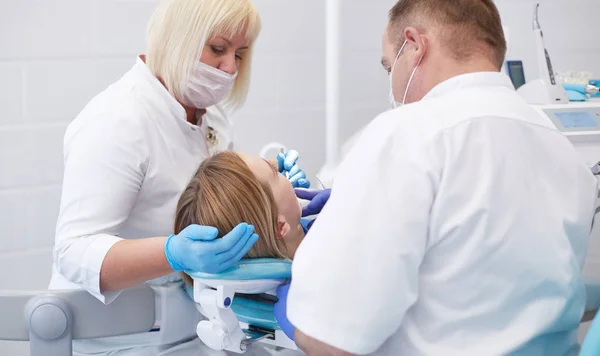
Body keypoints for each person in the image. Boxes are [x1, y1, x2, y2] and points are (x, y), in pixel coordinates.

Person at [275, 0, 599, 355]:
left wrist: (297, 314)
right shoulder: (562, 147)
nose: (394, 88)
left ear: (414, 45)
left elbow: (329, 341)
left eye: (389, 68)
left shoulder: (407, 134)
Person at [48, 1, 308, 355]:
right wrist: (172, 253)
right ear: (179, 39)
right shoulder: (118, 121)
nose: (230, 68)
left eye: (240, 54)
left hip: (192, 328)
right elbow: (72, 251)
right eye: (218, 49)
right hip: (117, 338)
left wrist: (277, 192)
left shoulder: (211, 118)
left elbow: (225, 210)